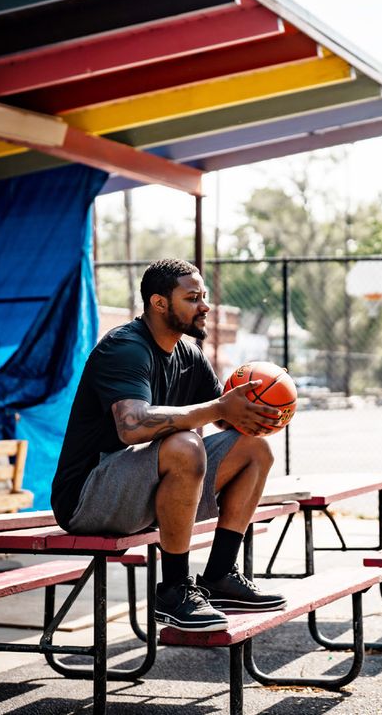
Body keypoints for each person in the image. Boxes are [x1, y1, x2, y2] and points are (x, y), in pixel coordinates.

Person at [51, 258, 286, 632]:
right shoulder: (124, 348)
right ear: (159, 303)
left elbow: (226, 419)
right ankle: (173, 590)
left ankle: (219, 576)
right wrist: (216, 408)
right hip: (88, 496)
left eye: (204, 297)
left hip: (143, 489)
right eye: (193, 298)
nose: (205, 306)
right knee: (184, 445)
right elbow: (131, 426)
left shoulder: (188, 355)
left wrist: (260, 408)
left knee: (254, 448)